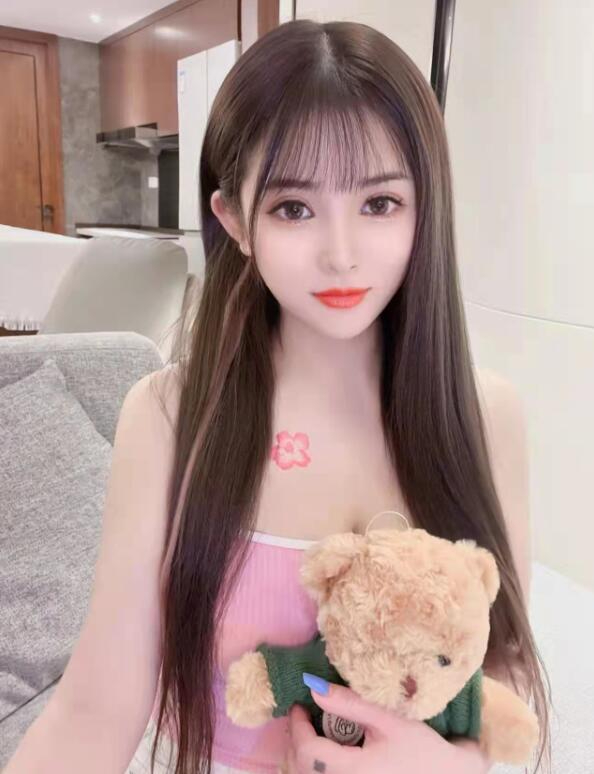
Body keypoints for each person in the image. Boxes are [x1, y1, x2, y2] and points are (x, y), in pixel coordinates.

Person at [3, 18, 551, 774]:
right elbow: (96, 708)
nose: (341, 254)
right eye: (294, 208)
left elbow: (503, 657)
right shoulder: (168, 417)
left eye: (380, 203)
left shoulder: (486, 415)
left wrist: (455, 764)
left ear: (426, 207)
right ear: (234, 220)